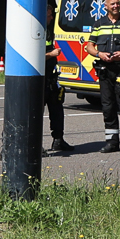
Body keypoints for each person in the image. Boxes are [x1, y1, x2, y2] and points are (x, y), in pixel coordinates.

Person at [83, 0, 120, 156]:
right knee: (107, 108)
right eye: (112, 4)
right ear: (105, 6)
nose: (116, 6)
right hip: (104, 71)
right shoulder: (99, 24)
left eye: (117, 3)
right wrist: (99, 54)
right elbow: (89, 46)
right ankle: (112, 142)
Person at [44, 11, 71, 154]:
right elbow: (33, 56)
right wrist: (51, 54)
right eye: (49, 15)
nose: (52, 18)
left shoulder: (48, 32)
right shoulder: (34, 31)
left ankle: (58, 141)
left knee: (57, 112)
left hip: (51, 79)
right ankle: (35, 144)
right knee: (36, 114)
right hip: (40, 81)